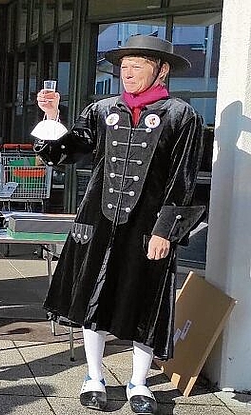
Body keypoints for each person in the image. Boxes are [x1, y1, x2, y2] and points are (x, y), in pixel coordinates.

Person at [34, 35, 205, 415]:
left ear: (160, 70)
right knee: (92, 295)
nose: (127, 73)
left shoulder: (181, 115)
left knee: (145, 299)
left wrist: (166, 229)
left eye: (136, 66)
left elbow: (184, 178)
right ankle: (93, 376)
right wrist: (51, 118)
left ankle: (138, 382)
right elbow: (68, 151)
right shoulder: (101, 109)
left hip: (148, 227)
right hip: (98, 219)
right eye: (123, 66)